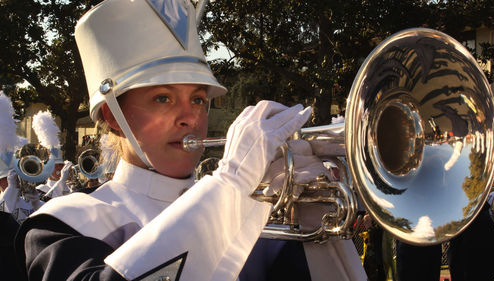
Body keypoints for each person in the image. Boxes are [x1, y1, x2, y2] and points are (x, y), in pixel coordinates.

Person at [13, 1, 366, 281]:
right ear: (110, 117)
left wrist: (316, 226)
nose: (191, 117)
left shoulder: (257, 213)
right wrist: (232, 182)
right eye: (163, 98)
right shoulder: (60, 223)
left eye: (198, 99)